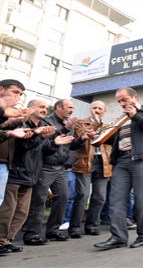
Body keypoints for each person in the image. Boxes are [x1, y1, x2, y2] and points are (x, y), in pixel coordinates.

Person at [94, 87, 143, 250]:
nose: (121, 103)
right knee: (116, 200)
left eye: (123, 99)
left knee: (142, 199)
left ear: (135, 97)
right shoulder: (121, 118)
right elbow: (117, 138)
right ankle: (118, 237)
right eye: (118, 101)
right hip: (122, 161)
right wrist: (99, 137)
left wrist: (136, 115)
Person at [0, 100, 74, 253]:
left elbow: (44, 151)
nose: (45, 110)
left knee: (21, 213)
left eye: (47, 108)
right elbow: (25, 145)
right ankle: (2, 241)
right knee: (7, 211)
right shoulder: (20, 124)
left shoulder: (41, 128)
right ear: (30, 108)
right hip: (16, 172)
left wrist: (54, 143)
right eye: (41, 107)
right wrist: (38, 135)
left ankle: (7, 241)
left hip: (31, 174)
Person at [23, 99, 86, 245]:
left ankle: (53, 230)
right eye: (69, 107)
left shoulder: (67, 123)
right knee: (39, 199)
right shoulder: (46, 121)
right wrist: (66, 128)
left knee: (63, 197)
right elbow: (47, 142)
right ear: (59, 107)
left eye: (73, 108)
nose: (72, 110)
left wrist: (82, 138)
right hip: (45, 166)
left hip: (61, 167)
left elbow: (70, 144)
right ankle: (31, 233)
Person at [68, 101, 112, 238]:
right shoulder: (81, 123)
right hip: (85, 161)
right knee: (82, 195)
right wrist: (95, 123)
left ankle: (92, 225)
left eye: (100, 108)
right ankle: (74, 227)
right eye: (94, 108)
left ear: (104, 112)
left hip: (103, 162)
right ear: (90, 109)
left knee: (99, 197)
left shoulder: (108, 127)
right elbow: (79, 138)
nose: (97, 110)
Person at [0, 79, 28, 207]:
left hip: (4, 163)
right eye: (15, 92)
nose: (17, 97)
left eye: (20, 94)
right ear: (1, 90)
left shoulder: (12, 112)